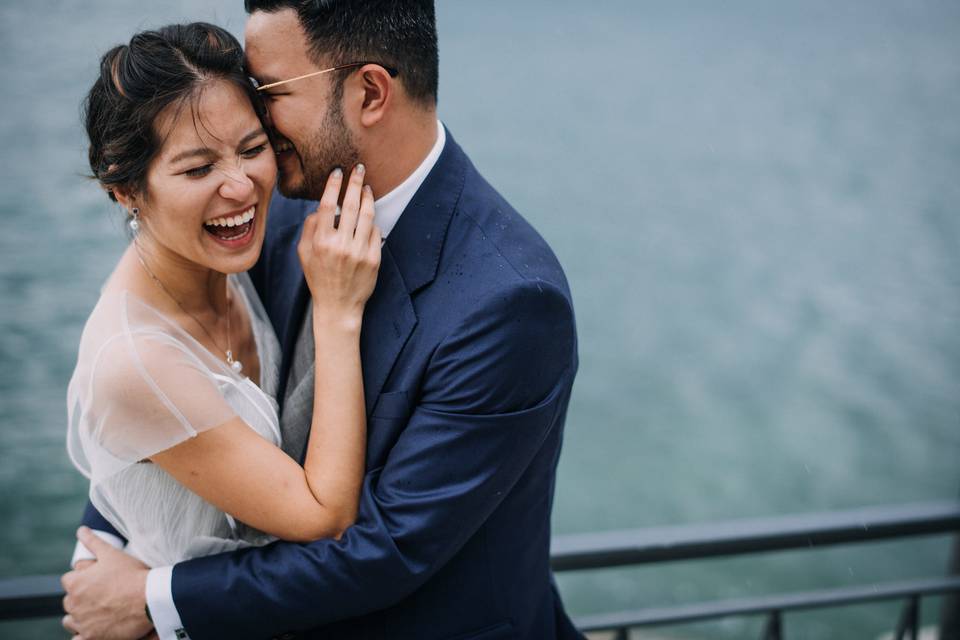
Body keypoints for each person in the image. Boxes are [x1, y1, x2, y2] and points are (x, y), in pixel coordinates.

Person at [63, 1, 583, 639]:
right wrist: (105, 544)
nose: (253, 122)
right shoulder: (267, 211)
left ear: (369, 91)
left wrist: (154, 598)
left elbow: (386, 547)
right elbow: (169, 414)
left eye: (268, 91)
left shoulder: (510, 301)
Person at [61, 20, 381, 639]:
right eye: (197, 168)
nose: (241, 186)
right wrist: (339, 314)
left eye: (253, 148)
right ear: (125, 188)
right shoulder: (137, 361)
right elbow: (323, 515)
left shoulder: (222, 262)